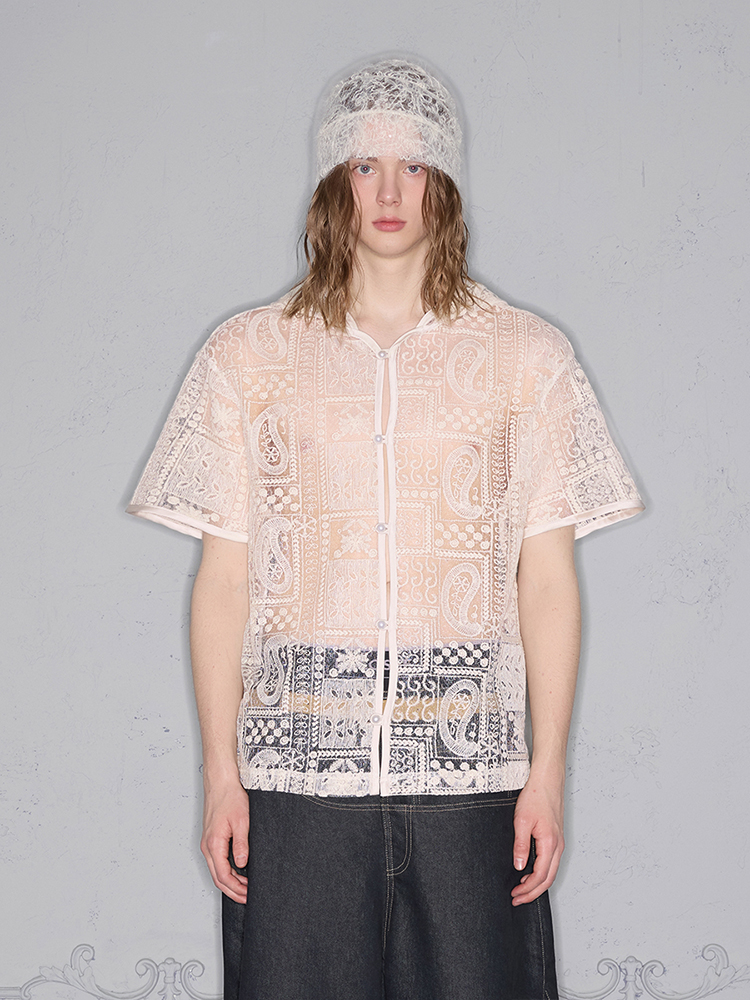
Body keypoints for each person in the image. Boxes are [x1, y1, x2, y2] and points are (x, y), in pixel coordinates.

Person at [128, 58, 643, 1000]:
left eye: (415, 165)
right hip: (297, 791)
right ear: (335, 181)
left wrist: (545, 775)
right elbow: (225, 583)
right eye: (367, 166)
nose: (392, 192)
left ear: (447, 180)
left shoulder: (528, 358)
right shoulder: (248, 355)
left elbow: (546, 581)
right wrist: (222, 776)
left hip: (471, 786)